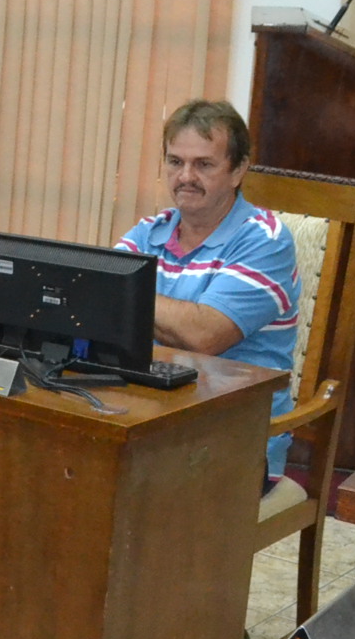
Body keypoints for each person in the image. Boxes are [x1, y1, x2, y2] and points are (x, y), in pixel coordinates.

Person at [117, 99, 302, 483]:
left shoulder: (266, 240)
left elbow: (204, 336)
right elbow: (98, 299)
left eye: (203, 164)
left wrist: (128, 295)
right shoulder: (150, 231)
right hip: (152, 421)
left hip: (235, 439)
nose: (185, 176)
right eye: (175, 162)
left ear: (238, 171)